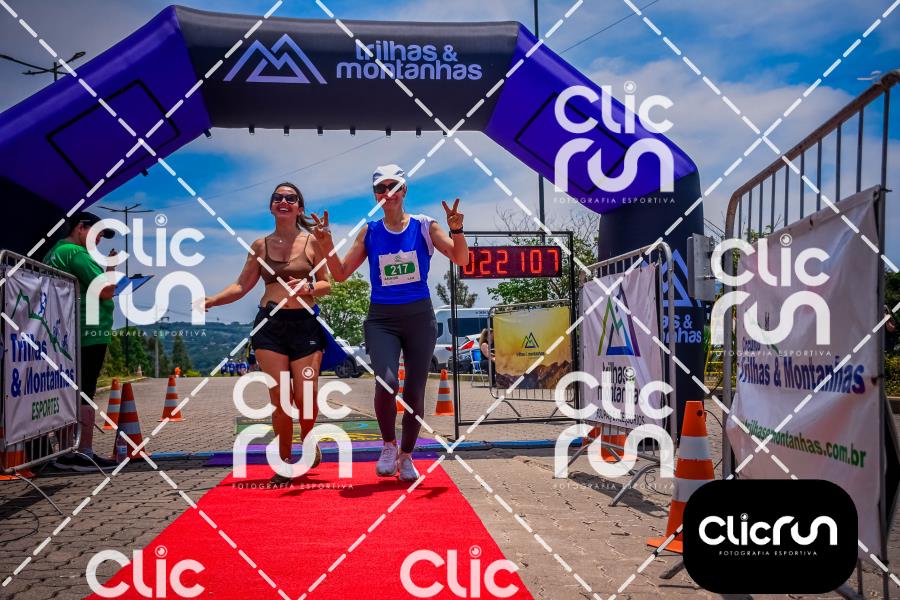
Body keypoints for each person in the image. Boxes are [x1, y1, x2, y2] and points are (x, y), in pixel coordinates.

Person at [312, 164, 468, 481]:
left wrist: (457, 230)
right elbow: (340, 274)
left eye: (393, 187)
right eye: (381, 189)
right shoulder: (370, 231)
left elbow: (461, 258)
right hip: (382, 318)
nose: (388, 193)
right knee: (386, 382)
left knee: (414, 392)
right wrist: (326, 244)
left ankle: (406, 456)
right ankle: (388, 446)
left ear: (404, 190)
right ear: (375, 196)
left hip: (419, 318)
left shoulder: (425, 225)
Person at [204, 182, 331, 485]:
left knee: (307, 397)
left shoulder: (313, 242)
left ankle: (309, 442)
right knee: (281, 398)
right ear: (271, 206)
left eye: (290, 198)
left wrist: (308, 287)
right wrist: (212, 300)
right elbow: (241, 286)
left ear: (299, 207)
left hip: (305, 325)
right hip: (270, 327)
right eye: (278, 198)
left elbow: (327, 284)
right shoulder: (260, 246)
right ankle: (284, 462)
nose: (283, 201)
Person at [43, 212, 119, 471]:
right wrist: (111, 269)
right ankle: (83, 452)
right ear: (80, 228)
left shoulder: (55, 252)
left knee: (68, 392)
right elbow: (105, 290)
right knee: (85, 391)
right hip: (87, 331)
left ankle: (67, 451)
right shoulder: (76, 254)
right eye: (96, 234)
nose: (98, 241)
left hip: (63, 331)